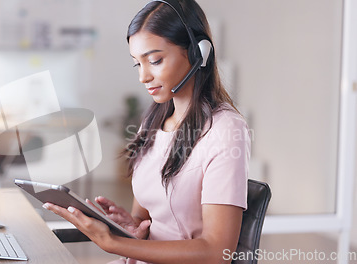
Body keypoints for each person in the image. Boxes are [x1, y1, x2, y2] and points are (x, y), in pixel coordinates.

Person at [43, 0, 251, 263]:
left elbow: (216, 252)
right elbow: (148, 220)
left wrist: (114, 243)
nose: (143, 76)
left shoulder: (225, 128)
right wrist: (130, 226)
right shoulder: (154, 120)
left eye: (154, 60)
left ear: (199, 53)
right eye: (137, 64)